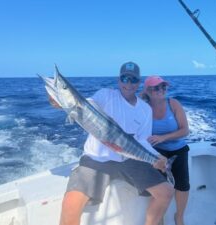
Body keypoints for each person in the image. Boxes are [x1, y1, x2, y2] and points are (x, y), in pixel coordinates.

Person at [50, 62, 174, 225]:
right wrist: (57, 98)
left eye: (133, 79)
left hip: (130, 159)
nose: (128, 83)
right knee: (70, 204)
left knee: (166, 192)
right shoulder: (105, 95)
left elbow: (143, 140)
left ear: (138, 82)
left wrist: (157, 157)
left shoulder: (145, 109)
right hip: (96, 160)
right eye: (124, 78)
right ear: (118, 80)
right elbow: (78, 104)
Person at [141, 75, 190, 225]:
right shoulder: (142, 107)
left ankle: (179, 216)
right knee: (158, 187)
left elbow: (185, 130)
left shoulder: (173, 103)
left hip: (178, 149)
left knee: (182, 185)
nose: (161, 90)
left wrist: (164, 138)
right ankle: (159, 218)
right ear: (148, 90)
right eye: (156, 87)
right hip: (155, 153)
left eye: (163, 86)